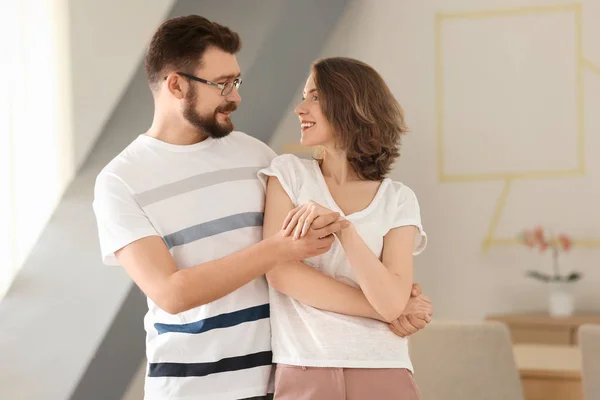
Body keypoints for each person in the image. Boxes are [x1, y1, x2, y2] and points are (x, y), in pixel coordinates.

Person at [92, 15, 431, 400]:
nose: (236, 96)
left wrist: (393, 299)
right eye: (222, 84)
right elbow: (172, 293)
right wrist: (386, 308)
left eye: (236, 82)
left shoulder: (257, 157)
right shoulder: (120, 181)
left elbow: (313, 270)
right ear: (175, 85)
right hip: (190, 388)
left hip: (278, 379)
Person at [259, 57, 429, 400]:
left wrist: (343, 229)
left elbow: (393, 299)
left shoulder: (398, 200)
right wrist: (386, 309)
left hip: (383, 367)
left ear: (350, 104)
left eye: (315, 97)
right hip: (304, 366)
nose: (300, 108)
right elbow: (280, 273)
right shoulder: (288, 175)